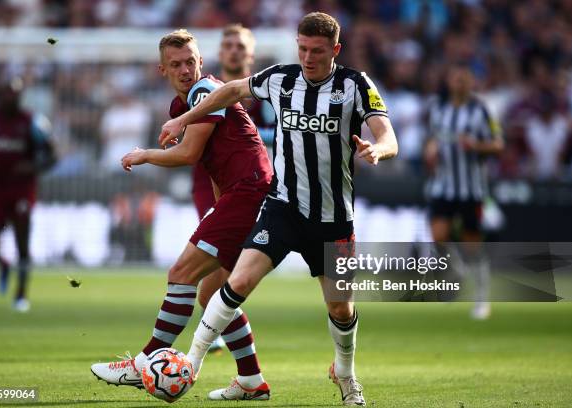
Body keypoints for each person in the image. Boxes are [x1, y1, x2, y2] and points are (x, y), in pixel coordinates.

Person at [159, 12, 399, 406]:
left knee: (340, 307)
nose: (307, 58)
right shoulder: (280, 78)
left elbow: (388, 135)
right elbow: (230, 90)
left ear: (335, 50)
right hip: (282, 207)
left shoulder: (355, 85)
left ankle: (346, 372)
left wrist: (378, 150)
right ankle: (191, 362)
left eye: (317, 51)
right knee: (237, 282)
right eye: (302, 49)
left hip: (333, 217)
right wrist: (184, 118)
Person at [90, 29, 273, 401]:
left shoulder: (205, 92)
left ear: (201, 62)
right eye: (176, 64)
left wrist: (143, 155)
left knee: (181, 274)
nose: (185, 69)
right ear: (163, 70)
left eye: (190, 61)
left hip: (250, 191)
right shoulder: (183, 107)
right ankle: (252, 380)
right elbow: (213, 163)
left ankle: (142, 363)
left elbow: (189, 154)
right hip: (242, 193)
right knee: (212, 295)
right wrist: (219, 205)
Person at [193, 24, 275, 354]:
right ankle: (220, 331)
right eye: (227, 44)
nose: (233, 50)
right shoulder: (205, 91)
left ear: (250, 53)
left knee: (220, 275)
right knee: (217, 271)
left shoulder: (263, 94)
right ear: (219, 52)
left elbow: (280, 135)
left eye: (240, 45)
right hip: (207, 182)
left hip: (250, 185)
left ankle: (216, 327)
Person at [423, 62, 504, 319]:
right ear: (449, 82)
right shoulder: (438, 109)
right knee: (438, 236)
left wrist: (477, 145)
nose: (459, 84)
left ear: (471, 83)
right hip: (443, 185)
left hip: (471, 188)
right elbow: (433, 139)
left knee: (472, 245)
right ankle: (456, 272)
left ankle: (482, 298)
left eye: (464, 79)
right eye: (455, 79)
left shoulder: (481, 111)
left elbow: (498, 144)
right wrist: (431, 150)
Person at [0, 78, 55, 313]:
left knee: (22, 241)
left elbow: (52, 154)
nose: (11, 98)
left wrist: (32, 168)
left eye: (15, 94)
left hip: (22, 189)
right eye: (6, 94)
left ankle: (20, 295)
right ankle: (3, 265)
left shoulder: (33, 121)